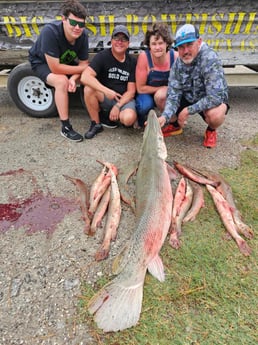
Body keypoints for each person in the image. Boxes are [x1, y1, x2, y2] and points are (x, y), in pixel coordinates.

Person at [158, 24, 229, 148]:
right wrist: (165, 116)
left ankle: (211, 130)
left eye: (189, 45)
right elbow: (174, 93)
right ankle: (174, 125)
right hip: (188, 97)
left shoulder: (210, 58)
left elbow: (216, 97)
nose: (185, 51)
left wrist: (187, 111)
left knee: (216, 115)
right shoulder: (178, 64)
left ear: (199, 41)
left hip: (207, 100)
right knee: (161, 96)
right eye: (181, 47)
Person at [29, 0, 89, 142]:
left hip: (65, 61)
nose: (77, 28)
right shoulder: (50, 31)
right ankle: (66, 127)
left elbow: (84, 63)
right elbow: (56, 68)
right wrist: (81, 69)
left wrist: (74, 78)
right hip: (42, 62)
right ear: (63, 19)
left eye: (81, 24)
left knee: (89, 75)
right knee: (61, 81)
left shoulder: (83, 35)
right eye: (73, 23)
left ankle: (97, 117)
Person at [81, 25, 137, 139]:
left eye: (124, 39)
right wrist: (106, 91)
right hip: (106, 97)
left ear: (128, 43)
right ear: (111, 41)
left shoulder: (132, 61)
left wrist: (118, 106)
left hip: (123, 99)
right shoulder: (102, 56)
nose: (119, 42)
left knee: (128, 119)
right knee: (88, 89)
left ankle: (110, 116)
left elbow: (131, 91)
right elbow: (85, 77)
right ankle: (96, 124)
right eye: (116, 38)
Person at [135, 22, 178, 127]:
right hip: (147, 93)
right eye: (154, 44)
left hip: (167, 94)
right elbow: (140, 88)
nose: (157, 47)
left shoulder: (176, 57)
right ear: (149, 45)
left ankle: (172, 121)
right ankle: (141, 118)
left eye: (160, 43)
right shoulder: (144, 57)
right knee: (143, 106)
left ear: (167, 43)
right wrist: (161, 88)